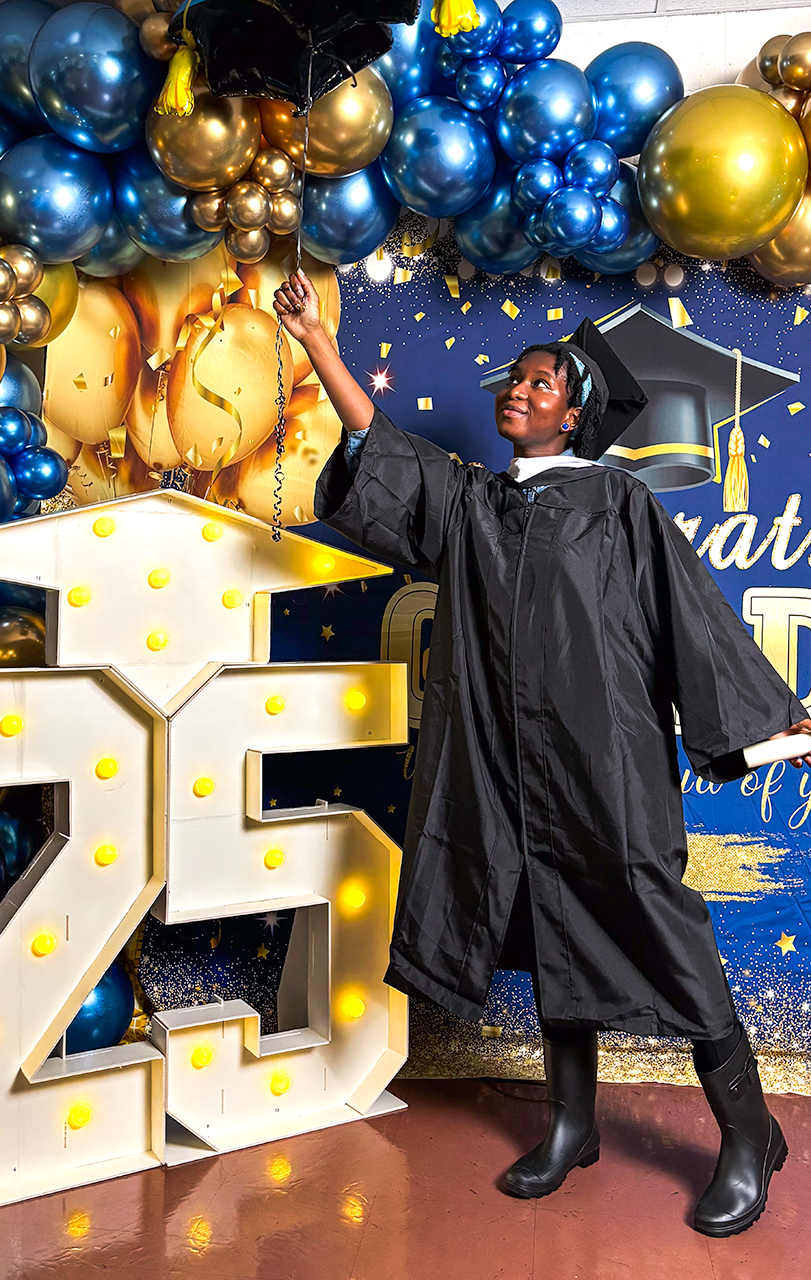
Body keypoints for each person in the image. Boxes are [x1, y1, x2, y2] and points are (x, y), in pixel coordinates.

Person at [273, 267, 811, 1238]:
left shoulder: (619, 504)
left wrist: (765, 724)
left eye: (540, 382)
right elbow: (380, 447)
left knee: (665, 931)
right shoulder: (473, 503)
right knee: (549, 929)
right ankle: (572, 1123)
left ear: (576, 413)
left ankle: (749, 1133)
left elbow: (690, 620)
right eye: (514, 379)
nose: (516, 391)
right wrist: (319, 344)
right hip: (502, 768)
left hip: (606, 768)